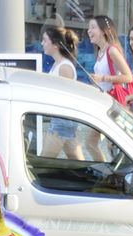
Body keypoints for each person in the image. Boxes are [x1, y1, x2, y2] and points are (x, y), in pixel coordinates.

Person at [41, 24, 85, 159]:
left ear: (55, 45)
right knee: (78, 163)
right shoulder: (58, 64)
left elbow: (66, 98)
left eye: (45, 40)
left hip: (62, 120)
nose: (42, 43)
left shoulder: (64, 67)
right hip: (63, 119)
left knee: (44, 162)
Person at [87, 15, 133, 99]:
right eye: (89, 28)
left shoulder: (112, 50)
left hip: (111, 99)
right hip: (102, 98)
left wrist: (103, 78)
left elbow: (128, 77)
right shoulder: (101, 51)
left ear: (103, 31)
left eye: (93, 27)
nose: (89, 31)